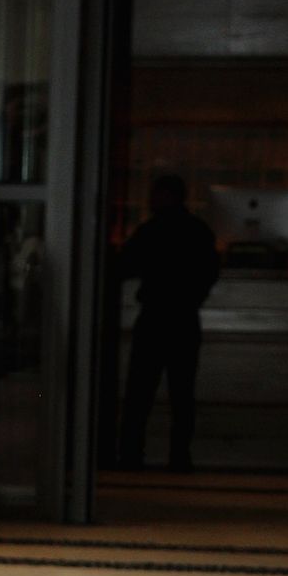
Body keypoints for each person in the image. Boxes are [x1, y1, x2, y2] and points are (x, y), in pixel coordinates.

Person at [118, 174, 219, 472]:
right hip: (184, 317)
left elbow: (125, 265)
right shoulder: (197, 231)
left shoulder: (151, 231)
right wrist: (193, 296)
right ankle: (179, 456)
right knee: (182, 393)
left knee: (140, 392)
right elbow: (209, 272)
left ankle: (131, 453)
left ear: (166, 196)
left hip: (156, 315)